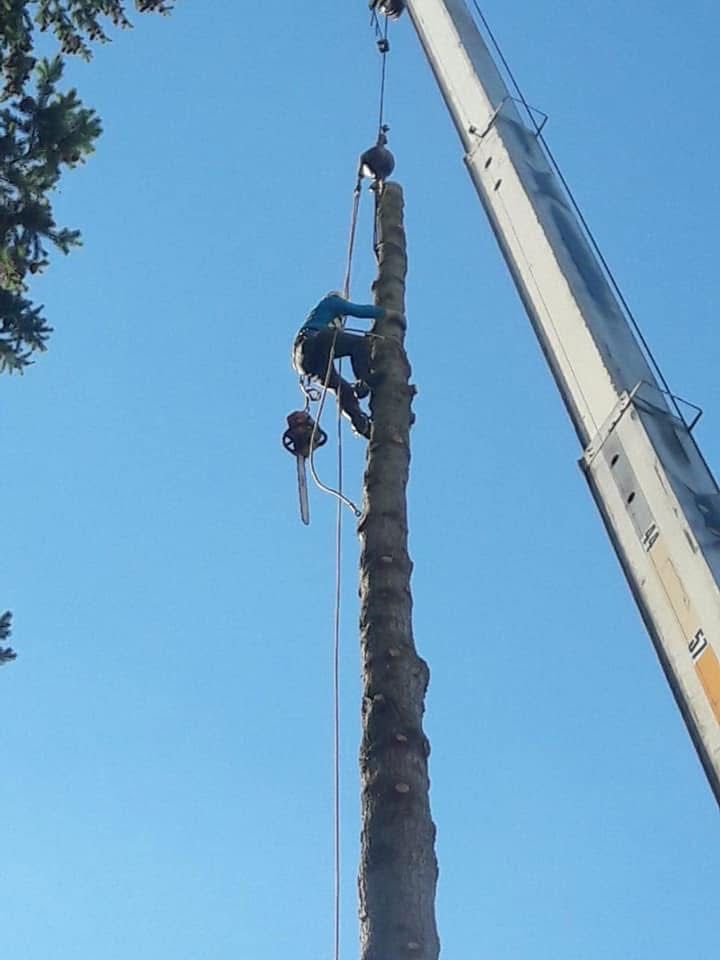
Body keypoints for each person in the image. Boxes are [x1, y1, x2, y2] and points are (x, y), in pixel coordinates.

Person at [292, 292, 387, 438]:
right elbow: (359, 311)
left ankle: (360, 424)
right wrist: (387, 313)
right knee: (359, 343)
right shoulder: (332, 301)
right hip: (314, 340)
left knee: (343, 389)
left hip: (304, 362)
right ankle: (364, 381)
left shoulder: (320, 319)